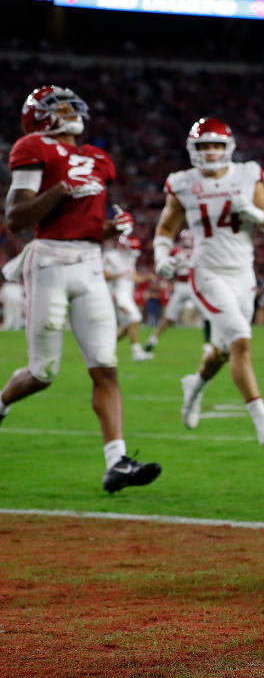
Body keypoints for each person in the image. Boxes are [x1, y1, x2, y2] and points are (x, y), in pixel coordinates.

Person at [0, 85, 162, 493]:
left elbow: (86, 224)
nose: (72, 111)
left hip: (90, 264)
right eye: (61, 106)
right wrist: (60, 189)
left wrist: (113, 227)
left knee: (106, 366)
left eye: (73, 104)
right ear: (40, 117)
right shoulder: (33, 147)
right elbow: (17, 217)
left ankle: (117, 462)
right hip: (50, 261)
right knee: (44, 373)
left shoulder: (97, 158)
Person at [153, 117, 264, 448]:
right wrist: (162, 258)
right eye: (204, 146)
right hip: (207, 273)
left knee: (220, 352)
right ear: (193, 150)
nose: (211, 152)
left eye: (217, 145)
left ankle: (194, 387)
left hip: (243, 274)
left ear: (228, 147)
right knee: (241, 342)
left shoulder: (247, 175)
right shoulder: (183, 183)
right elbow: (165, 229)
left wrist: (257, 215)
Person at [103, 234, 154, 362]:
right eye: (131, 249)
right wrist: (119, 275)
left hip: (127, 295)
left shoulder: (129, 258)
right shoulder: (111, 256)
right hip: (118, 295)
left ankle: (103, 349)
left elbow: (133, 276)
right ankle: (137, 353)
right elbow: (105, 274)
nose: (134, 252)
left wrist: (147, 277)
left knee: (127, 327)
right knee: (135, 318)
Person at [145, 234, 200, 353]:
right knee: (208, 315)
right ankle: (210, 344)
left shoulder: (176, 251)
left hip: (181, 285)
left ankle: (153, 339)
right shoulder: (198, 251)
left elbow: (167, 267)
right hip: (193, 285)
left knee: (168, 317)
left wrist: (169, 280)